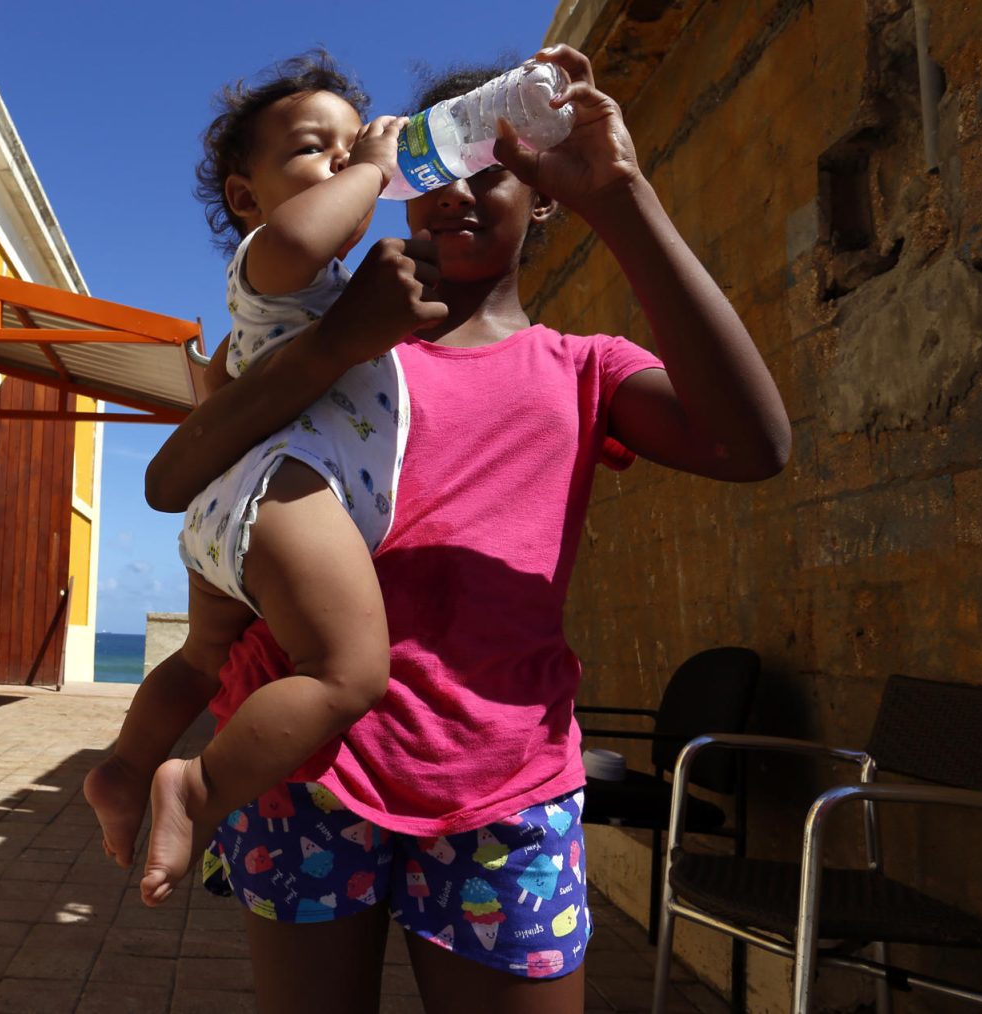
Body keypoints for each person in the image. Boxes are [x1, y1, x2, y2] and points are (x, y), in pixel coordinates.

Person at [143, 46, 790, 1013]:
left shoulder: (584, 368)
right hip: (307, 777)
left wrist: (622, 197)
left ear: (542, 194)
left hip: (507, 784)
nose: (462, 189)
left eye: (497, 164)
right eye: (443, 164)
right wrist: (336, 342)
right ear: (405, 181)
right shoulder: (338, 342)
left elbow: (753, 445)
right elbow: (172, 478)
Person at [83, 51, 415, 906]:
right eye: (316, 150)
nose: (344, 162)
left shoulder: (275, 311)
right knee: (347, 672)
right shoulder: (276, 260)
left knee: (201, 658)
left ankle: (123, 768)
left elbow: (222, 395)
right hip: (288, 493)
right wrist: (378, 169)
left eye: (354, 145)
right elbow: (312, 232)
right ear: (247, 198)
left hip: (232, 511)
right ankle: (195, 789)